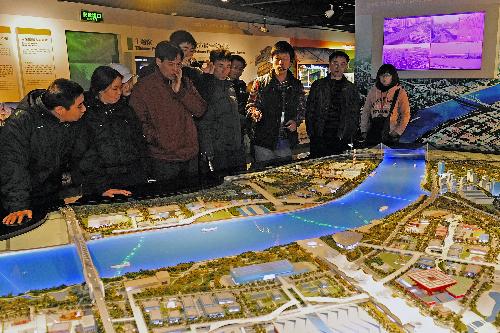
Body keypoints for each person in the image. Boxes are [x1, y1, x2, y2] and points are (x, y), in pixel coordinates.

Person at [0, 79, 86, 225]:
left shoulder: (70, 119)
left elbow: (82, 155)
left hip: (53, 195)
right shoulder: (20, 123)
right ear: (60, 110)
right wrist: (19, 206)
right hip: (27, 199)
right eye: (79, 106)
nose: (84, 109)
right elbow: (13, 165)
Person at [130, 41, 206, 182]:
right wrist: (160, 139)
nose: (176, 69)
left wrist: (181, 92)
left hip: (190, 154)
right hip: (163, 158)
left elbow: (200, 110)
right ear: (159, 61)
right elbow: (139, 122)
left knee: (192, 199)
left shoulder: (186, 82)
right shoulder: (143, 87)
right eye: (171, 64)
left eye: (179, 64)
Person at [76, 66, 147, 197]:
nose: (119, 92)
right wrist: (101, 186)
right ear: (100, 89)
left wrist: (144, 173)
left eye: (120, 87)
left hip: (132, 177)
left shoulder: (126, 110)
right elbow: (85, 154)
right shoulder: (85, 113)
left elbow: (139, 142)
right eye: (115, 89)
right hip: (102, 181)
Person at [246, 41, 305, 167]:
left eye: (285, 59)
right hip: (263, 140)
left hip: (286, 140)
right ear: (271, 60)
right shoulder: (260, 82)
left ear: (290, 61)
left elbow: (301, 109)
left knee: (284, 177)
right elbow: (250, 105)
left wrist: (296, 121)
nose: (280, 63)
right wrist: (254, 112)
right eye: (277, 59)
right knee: (263, 176)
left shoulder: (296, 85)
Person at [196, 49, 246, 176]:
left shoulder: (229, 85)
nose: (225, 70)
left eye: (228, 66)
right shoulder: (205, 85)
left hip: (235, 147)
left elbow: (231, 114)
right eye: (220, 66)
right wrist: (207, 149)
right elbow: (202, 121)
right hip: (218, 150)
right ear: (212, 65)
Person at [306, 50, 361, 157]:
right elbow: (310, 110)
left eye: (342, 64)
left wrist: (350, 134)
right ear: (330, 64)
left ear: (346, 66)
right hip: (320, 135)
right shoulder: (318, 85)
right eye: (335, 63)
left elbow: (354, 114)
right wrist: (312, 133)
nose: (338, 67)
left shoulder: (351, 88)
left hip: (341, 137)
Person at [360, 64, 410, 146]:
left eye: (387, 75)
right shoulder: (373, 91)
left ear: (392, 76)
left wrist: (397, 132)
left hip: (390, 134)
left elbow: (405, 114)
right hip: (373, 133)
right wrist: (364, 130)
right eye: (381, 75)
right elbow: (366, 111)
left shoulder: (400, 92)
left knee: (390, 158)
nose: (384, 78)